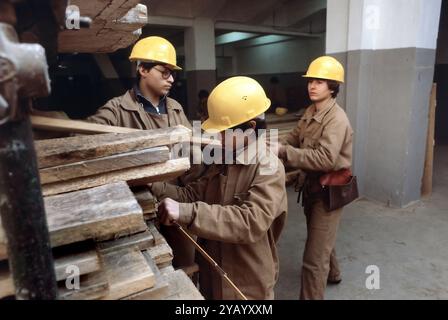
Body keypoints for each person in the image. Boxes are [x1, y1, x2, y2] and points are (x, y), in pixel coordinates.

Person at [150, 76, 288, 299]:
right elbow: (191, 194)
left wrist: (187, 212)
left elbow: (251, 221)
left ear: (250, 128)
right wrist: (151, 184)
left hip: (246, 283)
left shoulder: (269, 167)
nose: (219, 138)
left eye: (224, 131)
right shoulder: (225, 161)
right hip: (212, 275)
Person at [86, 36, 201, 270]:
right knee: (149, 271)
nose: (171, 78)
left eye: (173, 73)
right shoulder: (117, 110)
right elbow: (83, 140)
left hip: (177, 204)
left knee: (185, 268)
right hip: (141, 207)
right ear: (143, 69)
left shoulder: (175, 108)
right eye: (164, 71)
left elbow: (193, 153)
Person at [277, 56, 353, 300]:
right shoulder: (311, 110)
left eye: (319, 82)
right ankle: (334, 273)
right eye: (311, 81)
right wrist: (275, 144)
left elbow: (325, 159)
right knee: (319, 237)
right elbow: (295, 136)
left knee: (313, 260)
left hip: (329, 190)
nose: (312, 86)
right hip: (311, 186)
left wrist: (283, 152)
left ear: (332, 87)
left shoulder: (336, 119)